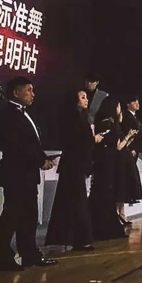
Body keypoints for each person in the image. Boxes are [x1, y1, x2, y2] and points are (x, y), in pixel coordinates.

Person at [0, 77, 58, 271]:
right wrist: (40, 161)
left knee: (28, 217)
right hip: (17, 175)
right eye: (29, 90)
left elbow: (31, 143)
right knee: (12, 217)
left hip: (26, 175)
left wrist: (43, 158)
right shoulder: (9, 114)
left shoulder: (22, 113)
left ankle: (29, 254)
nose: (33, 94)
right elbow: (18, 145)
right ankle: (2, 256)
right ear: (16, 92)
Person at [45, 90, 104, 251]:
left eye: (86, 97)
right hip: (72, 165)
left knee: (73, 202)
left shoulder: (83, 117)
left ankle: (73, 239)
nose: (86, 100)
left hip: (78, 164)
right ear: (75, 100)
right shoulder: (70, 118)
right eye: (83, 97)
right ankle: (77, 239)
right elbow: (74, 140)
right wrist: (93, 139)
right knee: (76, 202)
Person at [89, 97, 133, 239]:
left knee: (106, 197)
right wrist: (128, 137)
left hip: (107, 166)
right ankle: (103, 230)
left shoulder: (110, 124)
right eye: (118, 106)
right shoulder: (107, 125)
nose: (120, 109)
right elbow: (116, 147)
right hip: (106, 166)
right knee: (104, 197)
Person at [120, 95, 142, 203]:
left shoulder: (136, 117)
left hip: (136, 149)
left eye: (137, 102)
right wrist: (132, 148)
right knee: (129, 173)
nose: (137, 104)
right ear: (128, 104)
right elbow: (126, 133)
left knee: (132, 173)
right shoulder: (126, 116)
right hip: (129, 148)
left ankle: (132, 196)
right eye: (134, 102)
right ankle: (128, 196)